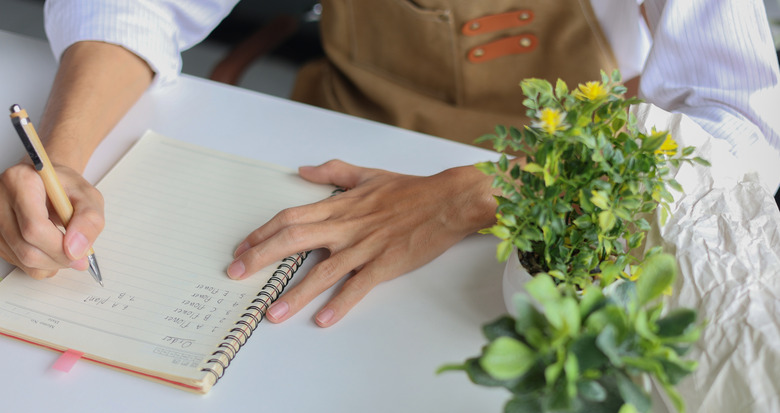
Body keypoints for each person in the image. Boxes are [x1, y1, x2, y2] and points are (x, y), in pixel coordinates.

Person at [1, 0, 778, 328]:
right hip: (337, 146)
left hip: (567, 217)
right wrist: (62, 158)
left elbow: (743, 121)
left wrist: (487, 190)